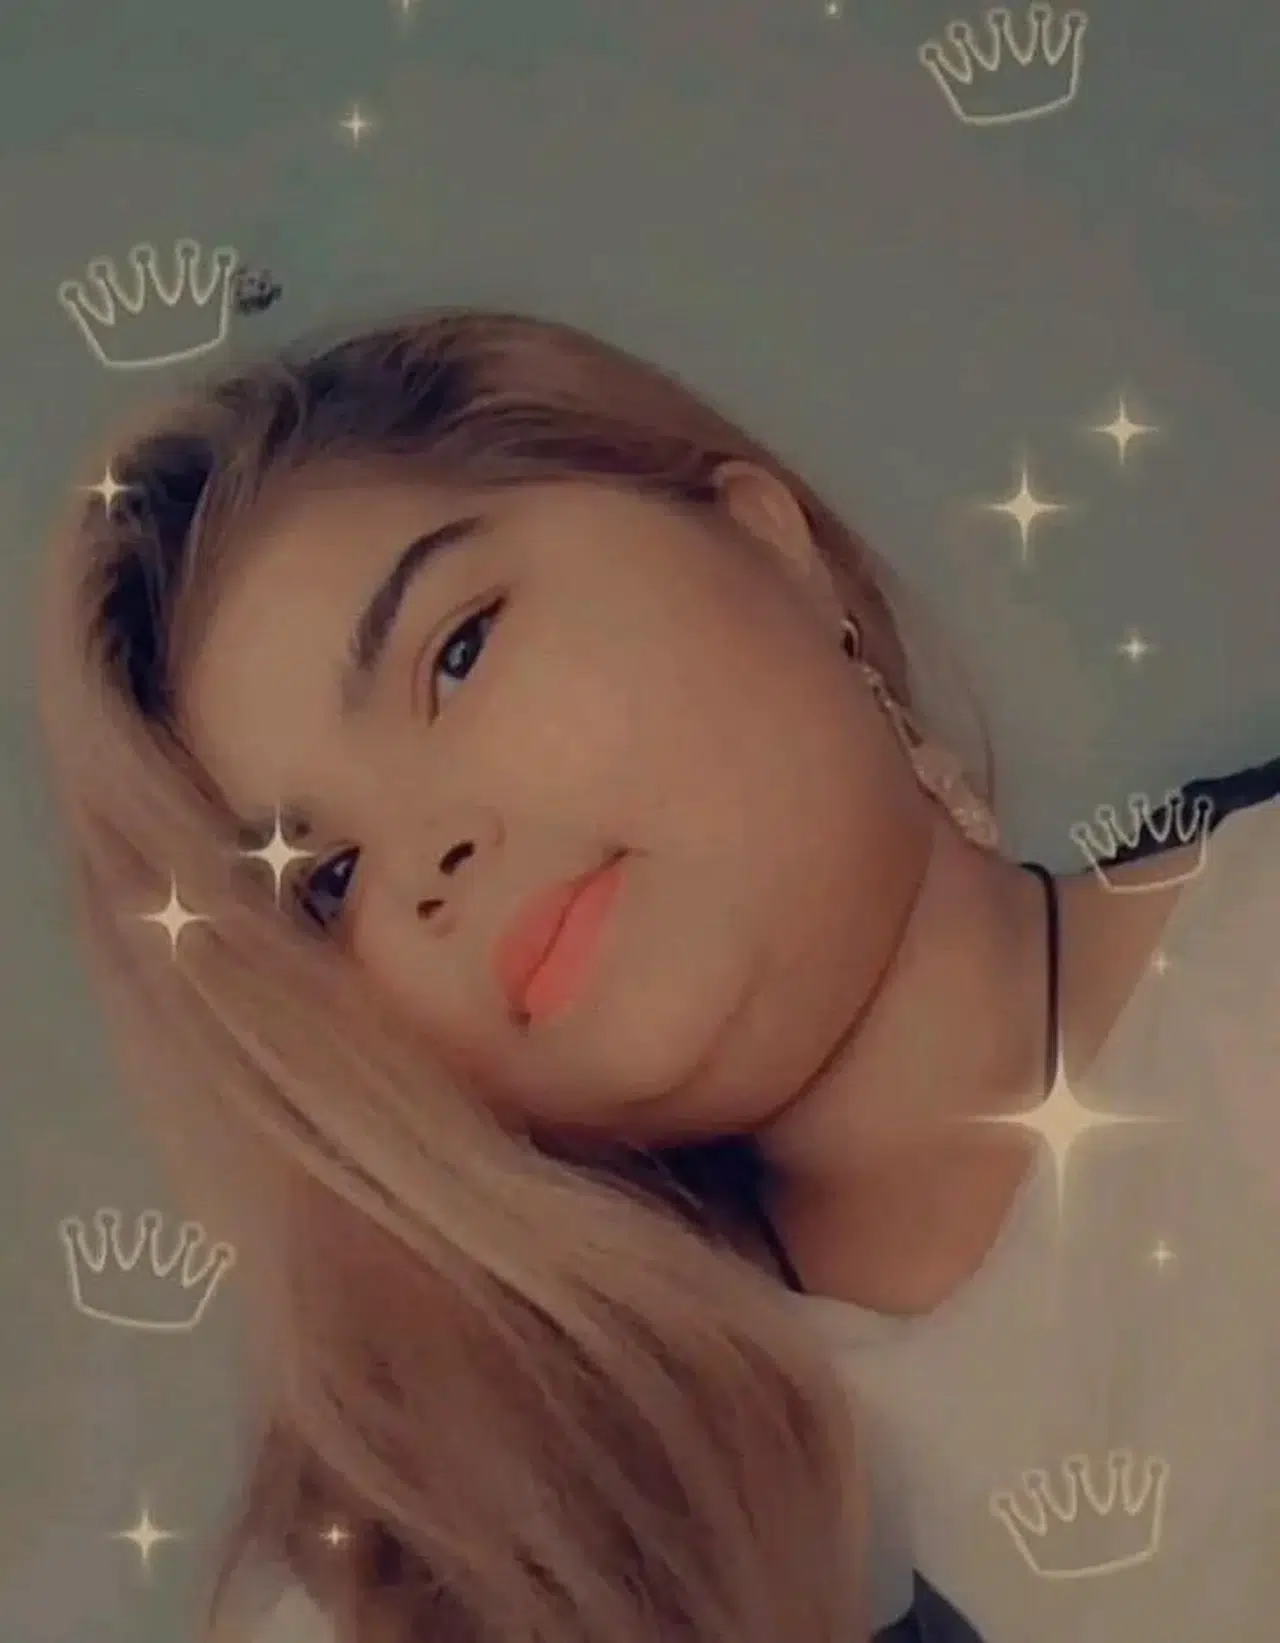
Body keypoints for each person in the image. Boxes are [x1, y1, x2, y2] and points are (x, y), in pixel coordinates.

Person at [35, 308, 1280, 1643]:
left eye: (457, 653)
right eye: (327, 884)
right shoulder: (454, 1560)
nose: (430, 856)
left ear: (772, 541)